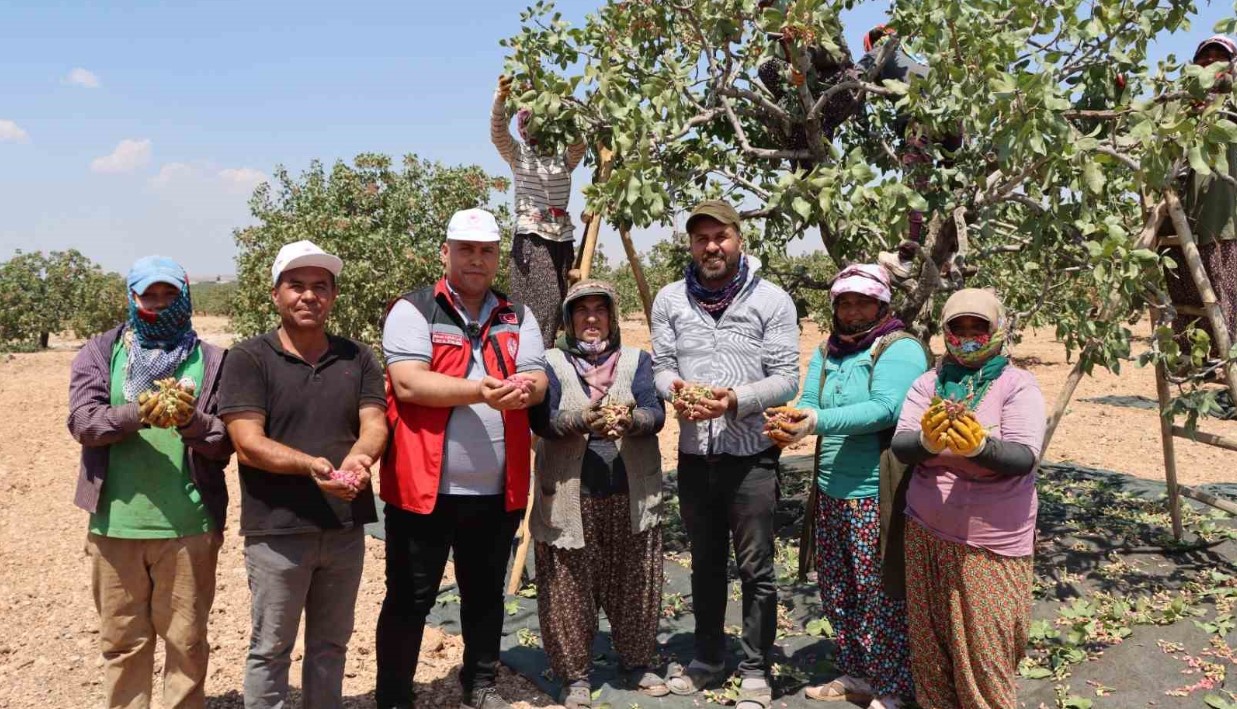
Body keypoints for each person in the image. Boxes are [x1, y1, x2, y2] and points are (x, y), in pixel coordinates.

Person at [375, 208, 549, 709]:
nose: (477, 259)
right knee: (410, 597)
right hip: (423, 489)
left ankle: (480, 683)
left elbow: (536, 376)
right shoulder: (414, 310)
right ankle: (393, 696)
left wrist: (527, 390)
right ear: (445, 253)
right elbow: (408, 382)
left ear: (497, 257)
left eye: (486, 251)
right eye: (467, 249)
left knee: (485, 594)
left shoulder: (517, 315)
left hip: (498, 489)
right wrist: (480, 390)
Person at [219, 240, 388, 709]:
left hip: (343, 527)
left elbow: (375, 422)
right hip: (278, 531)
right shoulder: (249, 359)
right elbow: (248, 443)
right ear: (276, 295)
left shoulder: (359, 358)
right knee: (271, 648)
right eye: (296, 286)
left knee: (330, 647)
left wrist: (360, 459)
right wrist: (310, 465)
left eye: (320, 287)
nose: (308, 296)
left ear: (333, 297)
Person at [650, 200, 800, 709]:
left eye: (721, 237)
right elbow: (662, 366)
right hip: (696, 455)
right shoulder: (671, 300)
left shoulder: (772, 301)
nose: (711, 247)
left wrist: (735, 401)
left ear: (739, 239)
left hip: (750, 455)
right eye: (701, 239)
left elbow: (786, 377)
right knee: (705, 561)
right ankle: (709, 656)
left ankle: (756, 665)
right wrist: (678, 392)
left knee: (756, 567)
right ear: (690, 246)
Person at [68, 256, 231, 709]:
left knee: (187, 642)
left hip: (189, 523)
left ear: (185, 298)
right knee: (123, 644)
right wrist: (139, 413)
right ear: (133, 298)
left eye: (168, 295)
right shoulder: (101, 352)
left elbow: (226, 443)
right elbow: (83, 422)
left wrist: (191, 422)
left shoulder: (213, 360)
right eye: (148, 295)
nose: (157, 305)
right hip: (115, 524)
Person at [764, 265, 927, 709]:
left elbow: (885, 409)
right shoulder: (828, 351)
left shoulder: (900, 348)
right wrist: (795, 420)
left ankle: (892, 687)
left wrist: (816, 423)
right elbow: (813, 403)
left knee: (881, 595)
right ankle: (857, 674)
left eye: (862, 302)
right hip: (831, 490)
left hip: (876, 493)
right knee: (839, 590)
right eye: (845, 302)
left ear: (882, 304)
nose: (853, 311)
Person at [890, 289, 1045, 709]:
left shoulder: (1016, 385)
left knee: (985, 650)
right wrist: (926, 440)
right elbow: (902, 445)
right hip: (926, 530)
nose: (969, 337)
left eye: (980, 328)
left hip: (991, 544)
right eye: (959, 329)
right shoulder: (929, 383)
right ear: (946, 332)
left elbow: (1024, 456)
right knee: (931, 643)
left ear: (998, 330)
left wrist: (980, 447)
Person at [528, 279, 669, 708]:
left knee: (635, 580)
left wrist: (631, 422)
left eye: (600, 310)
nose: (591, 319)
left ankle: (637, 662)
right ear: (569, 320)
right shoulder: (550, 363)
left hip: (631, 491)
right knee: (568, 585)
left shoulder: (637, 360)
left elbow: (655, 411)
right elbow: (541, 421)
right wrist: (578, 420)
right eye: (581, 311)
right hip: (571, 494)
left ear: (611, 316)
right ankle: (574, 676)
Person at [492, 74, 589, 347]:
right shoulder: (518, 154)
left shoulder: (563, 159)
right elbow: (498, 132)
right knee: (538, 311)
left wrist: (560, 108)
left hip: (562, 239)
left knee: (559, 306)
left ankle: (546, 363)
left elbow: (579, 144)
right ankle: (534, 363)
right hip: (533, 240)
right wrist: (500, 100)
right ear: (525, 130)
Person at [1162, 35, 1237, 356]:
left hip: (1223, 220)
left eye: (1221, 58)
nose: (1212, 64)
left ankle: (1229, 368)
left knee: (1225, 298)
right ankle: (1196, 364)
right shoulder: (1181, 104)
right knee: (1187, 297)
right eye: (1205, 58)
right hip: (1180, 222)